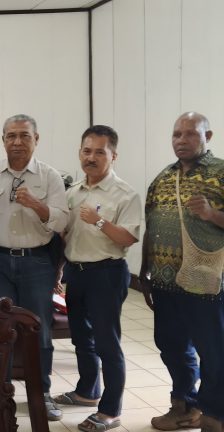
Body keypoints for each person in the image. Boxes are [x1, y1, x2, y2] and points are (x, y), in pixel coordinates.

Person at [0, 113, 69, 421]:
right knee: (0, 330)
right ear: (3, 140)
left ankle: (41, 393)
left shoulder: (50, 177)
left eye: (25, 135)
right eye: (11, 136)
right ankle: (1, 394)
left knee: (39, 329)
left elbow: (61, 220)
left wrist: (36, 204)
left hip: (37, 261)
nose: (17, 141)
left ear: (36, 139)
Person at [52, 125, 141, 431]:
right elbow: (67, 236)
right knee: (81, 338)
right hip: (76, 273)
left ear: (113, 156)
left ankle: (111, 410)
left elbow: (128, 238)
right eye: (86, 151)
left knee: (107, 343)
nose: (91, 157)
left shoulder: (125, 194)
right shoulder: (73, 192)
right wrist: (59, 269)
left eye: (99, 152)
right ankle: (87, 391)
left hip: (107, 273)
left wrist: (99, 220)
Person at [140, 112, 224, 432]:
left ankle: (214, 415)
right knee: (172, 347)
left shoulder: (221, 173)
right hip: (165, 283)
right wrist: (145, 271)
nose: (181, 140)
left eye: (190, 134)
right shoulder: (163, 178)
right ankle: (186, 406)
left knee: (213, 352)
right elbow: (151, 227)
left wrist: (212, 214)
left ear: (208, 136)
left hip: (207, 283)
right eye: (177, 134)